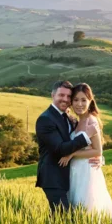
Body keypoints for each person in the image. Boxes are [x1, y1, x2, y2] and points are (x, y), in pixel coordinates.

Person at [58, 83, 112, 224]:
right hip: (76, 172)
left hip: (87, 171)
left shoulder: (91, 121)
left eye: (84, 100)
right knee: (77, 208)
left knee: (89, 209)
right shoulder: (76, 121)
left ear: (90, 101)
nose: (79, 104)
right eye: (76, 100)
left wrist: (71, 154)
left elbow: (97, 150)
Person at [35, 80, 99, 213]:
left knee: (65, 218)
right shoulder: (46, 119)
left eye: (69, 96)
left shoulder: (69, 117)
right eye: (61, 95)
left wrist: (97, 157)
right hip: (53, 177)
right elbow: (60, 149)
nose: (65, 99)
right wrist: (86, 136)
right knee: (64, 217)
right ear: (53, 95)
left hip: (70, 177)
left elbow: (95, 148)